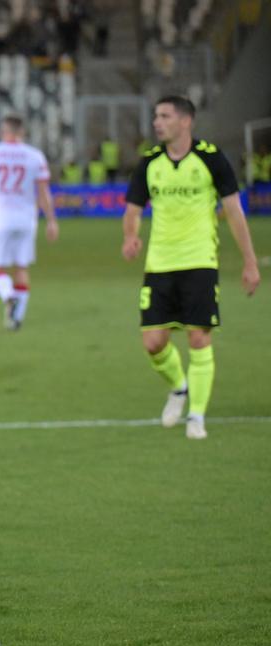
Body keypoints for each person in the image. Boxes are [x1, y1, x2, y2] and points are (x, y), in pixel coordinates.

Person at [122, 95, 260, 440]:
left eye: (165, 116)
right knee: (153, 342)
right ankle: (179, 388)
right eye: (156, 116)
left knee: (199, 337)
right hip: (160, 264)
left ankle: (196, 415)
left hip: (199, 260)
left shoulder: (211, 159)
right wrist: (131, 236)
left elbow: (234, 212)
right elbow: (133, 209)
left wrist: (250, 262)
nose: (157, 122)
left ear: (186, 121)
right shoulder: (150, 162)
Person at [0, 115, 60, 332]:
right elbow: (43, 192)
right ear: (22, 132)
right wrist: (51, 220)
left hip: (2, 216)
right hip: (27, 218)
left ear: (3, 131)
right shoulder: (35, 156)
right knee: (21, 266)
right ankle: (16, 319)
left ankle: (8, 296)